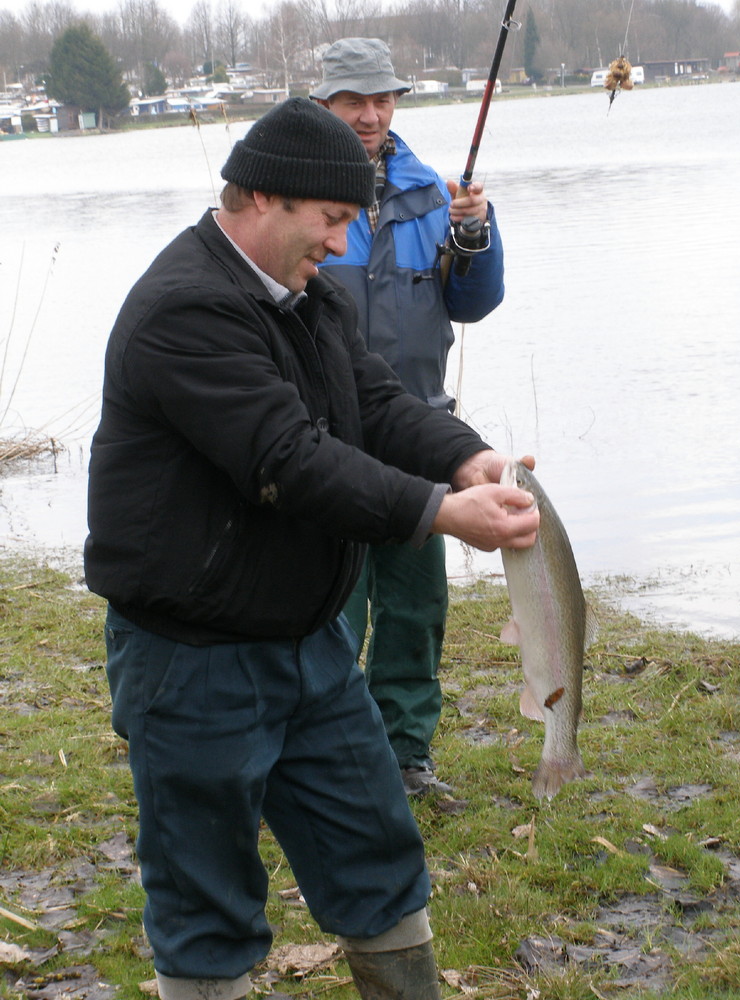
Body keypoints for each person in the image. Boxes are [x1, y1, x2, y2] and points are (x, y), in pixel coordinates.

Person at [84, 97, 538, 1000]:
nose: (340, 246)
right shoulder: (183, 310)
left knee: (378, 857)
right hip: (193, 660)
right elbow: (289, 462)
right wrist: (443, 516)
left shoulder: (305, 299)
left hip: (313, 647)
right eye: (330, 222)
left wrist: (466, 456)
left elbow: (373, 404)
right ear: (260, 197)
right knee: (205, 901)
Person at [310, 37, 507, 796]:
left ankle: (406, 756)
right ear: (324, 102)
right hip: (324, 438)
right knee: (329, 608)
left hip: (421, 430)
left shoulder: (433, 192)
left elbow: (473, 303)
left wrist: (475, 235)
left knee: (416, 607)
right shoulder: (296, 189)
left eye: (382, 98)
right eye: (354, 100)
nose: (370, 114)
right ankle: (323, 756)